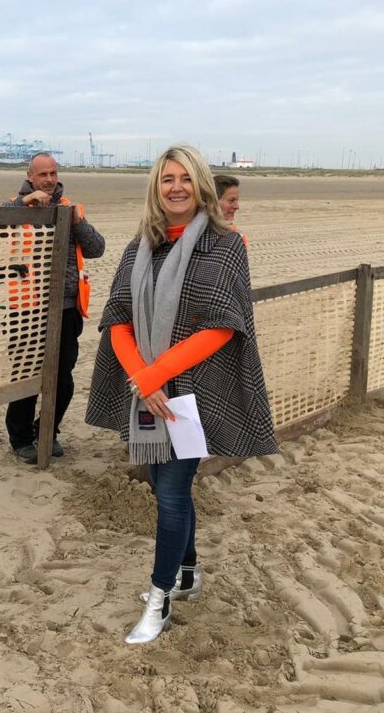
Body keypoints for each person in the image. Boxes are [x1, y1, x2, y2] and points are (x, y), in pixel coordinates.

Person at [85, 146, 276, 644]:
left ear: (201, 187)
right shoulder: (139, 246)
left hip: (193, 391)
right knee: (159, 482)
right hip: (144, 390)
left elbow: (223, 326)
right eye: (167, 179)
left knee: (170, 491)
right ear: (156, 186)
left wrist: (156, 377)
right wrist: (141, 379)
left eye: (185, 179)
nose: (176, 187)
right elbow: (118, 319)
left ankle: (161, 596)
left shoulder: (224, 245)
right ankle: (188, 572)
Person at [2, 153, 105, 464]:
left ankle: (47, 429)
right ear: (30, 177)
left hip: (67, 310)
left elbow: (97, 248)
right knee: (26, 379)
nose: (49, 179)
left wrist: (77, 222)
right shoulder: (13, 207)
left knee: (63, 379)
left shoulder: (70, 208)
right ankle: (20, 440)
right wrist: (24, 205)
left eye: (53, 173)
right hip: (27, 311)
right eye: (43, 174)